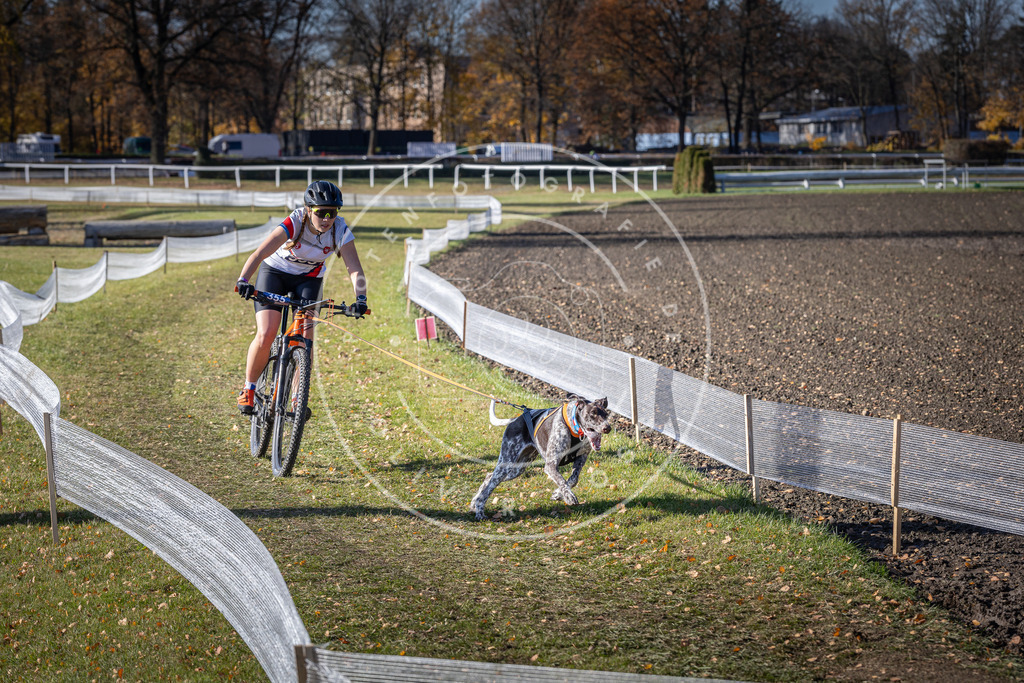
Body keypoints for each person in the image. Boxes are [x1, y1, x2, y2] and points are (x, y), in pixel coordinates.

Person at [234, 180, 367, 414]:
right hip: (275, 273)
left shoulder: (340, 230)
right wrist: (243, 280)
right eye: (321, 212)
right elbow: (260, 252)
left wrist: (361, 299)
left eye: (332, 212)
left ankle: (297, 397)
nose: (327, 219)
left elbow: (354, 268)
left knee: (306, 341)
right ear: (308, 210)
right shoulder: (295, 222)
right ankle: (249, 389)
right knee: (266, 333)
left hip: (309, 279)